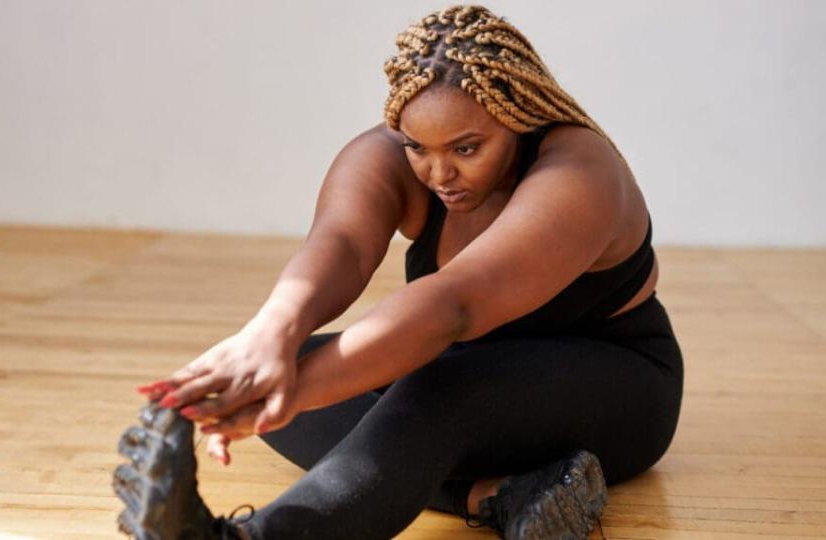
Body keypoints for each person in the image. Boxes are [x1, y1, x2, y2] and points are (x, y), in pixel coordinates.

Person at [120, 4, 683, 539]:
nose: (439, 173)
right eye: (417, 147)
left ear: (517, 117)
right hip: (473, 378)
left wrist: (281, 396)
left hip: (616, 385)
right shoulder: (390, 157)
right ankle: (497, 494)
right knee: (298, 365)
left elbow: (453, 305)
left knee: (419, 389)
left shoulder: (580, 173)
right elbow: (340, 245)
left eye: (467, 147)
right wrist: (266, 338)